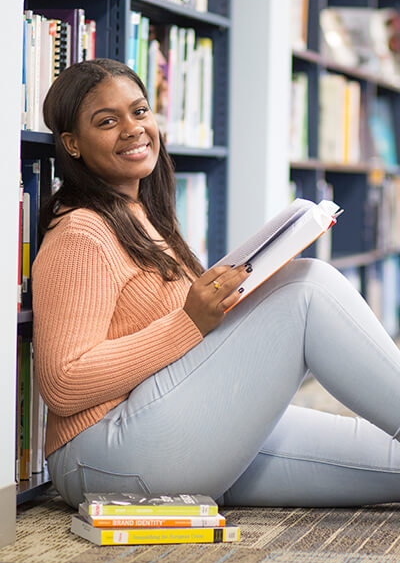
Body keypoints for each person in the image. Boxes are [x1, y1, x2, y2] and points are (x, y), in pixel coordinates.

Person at [33, 57, 400, 510]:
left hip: (179, 427)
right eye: (107, 121)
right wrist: (189, 323)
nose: (133, 129)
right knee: (309, 286)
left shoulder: (146, 217)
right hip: (104, 454)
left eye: (140, 111)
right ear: (72, 144)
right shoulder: (80, 232)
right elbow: (63, 382)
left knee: (392, 458)